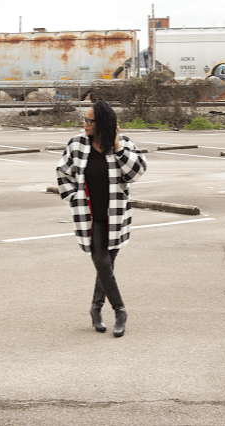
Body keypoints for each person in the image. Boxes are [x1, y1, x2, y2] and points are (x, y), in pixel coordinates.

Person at [56, 100, 147, 337]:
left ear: (103, 123)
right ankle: (120, 311)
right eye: (84, 120)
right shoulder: (77, 144)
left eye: (90, 121)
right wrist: (73, 197)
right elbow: (63, 172)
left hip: (115, 217)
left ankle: (96, 309)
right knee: (102, 262)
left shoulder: (124, 144)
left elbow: (136, 173)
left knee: (105, 266)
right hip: (90, 218)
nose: (85, 124)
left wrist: (117, 147)